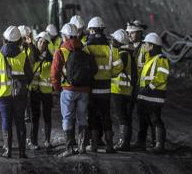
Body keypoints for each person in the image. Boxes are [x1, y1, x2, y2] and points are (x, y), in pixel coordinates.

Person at [51, 23, 97, 157]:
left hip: (68, 90)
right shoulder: (86, 49)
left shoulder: (61, 51)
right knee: (82, 117)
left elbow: (54, 73)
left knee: (67, 118)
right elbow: (95, 69)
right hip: (84, 90)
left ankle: (70, 148)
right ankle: (82, 147)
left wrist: (57, 88)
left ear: (64, 36)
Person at [0, 26, 33, 158]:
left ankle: (7, 151)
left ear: (5, 39)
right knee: (20, 121)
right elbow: (29, 76)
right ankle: (22, 152)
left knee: (6, 121)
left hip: (3, 95)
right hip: (19, 95)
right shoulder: (23, 56)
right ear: (19, 40)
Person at [84, 16, 123, 154]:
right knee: (106, 116)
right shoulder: (111, 47)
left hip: (92, 88)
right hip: (106, 88)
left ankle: (93, 145)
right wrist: (109, 75)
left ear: (93, 30)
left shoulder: (86, 47)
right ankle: (110, 145)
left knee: (93, 116)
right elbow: (119, 67)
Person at [136, 32, 169, 154]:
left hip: (155, 96)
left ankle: (159, 145)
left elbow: (162, 75)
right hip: (146, 96)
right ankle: (152, 143)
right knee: (148, 120)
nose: (144, 46)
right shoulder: (149, 59)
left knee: (155, 119)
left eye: (146, 44)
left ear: (152, 46)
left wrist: (150, 86)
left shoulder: (161, 59)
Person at [110, 29, 137, 151]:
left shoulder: (122, 55)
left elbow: (117, 70)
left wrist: (107, 73)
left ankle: (123, 142)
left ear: (118, 42)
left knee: (122, 118)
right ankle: (125, 142)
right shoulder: (130, 55)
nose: (111, 42)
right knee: (126, 117)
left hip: (119, 91)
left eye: (113, 40)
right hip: (127, 91)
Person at [28, 31, 54, 150]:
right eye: (40, 41)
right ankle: (33, 142)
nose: (42, 44)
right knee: (34, 116)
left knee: (47, 116)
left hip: (46, 91)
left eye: (44, 42)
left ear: (47, 44)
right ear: (37, 41)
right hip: (34, 90)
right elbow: (33, 60)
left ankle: (47, 141)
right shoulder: (31, 54)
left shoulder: (50, 57)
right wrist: (31, 46)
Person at [126, 20, 150, 148]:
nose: (129, 35)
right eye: (128, 33)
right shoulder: (126, 46)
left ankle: (142, 141)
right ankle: (126, 140)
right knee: (127, 112)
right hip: (129, 85)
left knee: (142, 113)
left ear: (140, 33)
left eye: (132, 33)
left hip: (140, 86)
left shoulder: (146, 47)